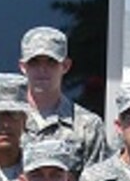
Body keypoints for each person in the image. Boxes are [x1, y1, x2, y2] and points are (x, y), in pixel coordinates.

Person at [19, 25, 110, 170]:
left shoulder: (88, 126)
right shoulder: (9, 121)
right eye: (34, 62)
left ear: (66, 66)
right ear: (23, 67)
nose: (42, 70)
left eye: (51, 62)